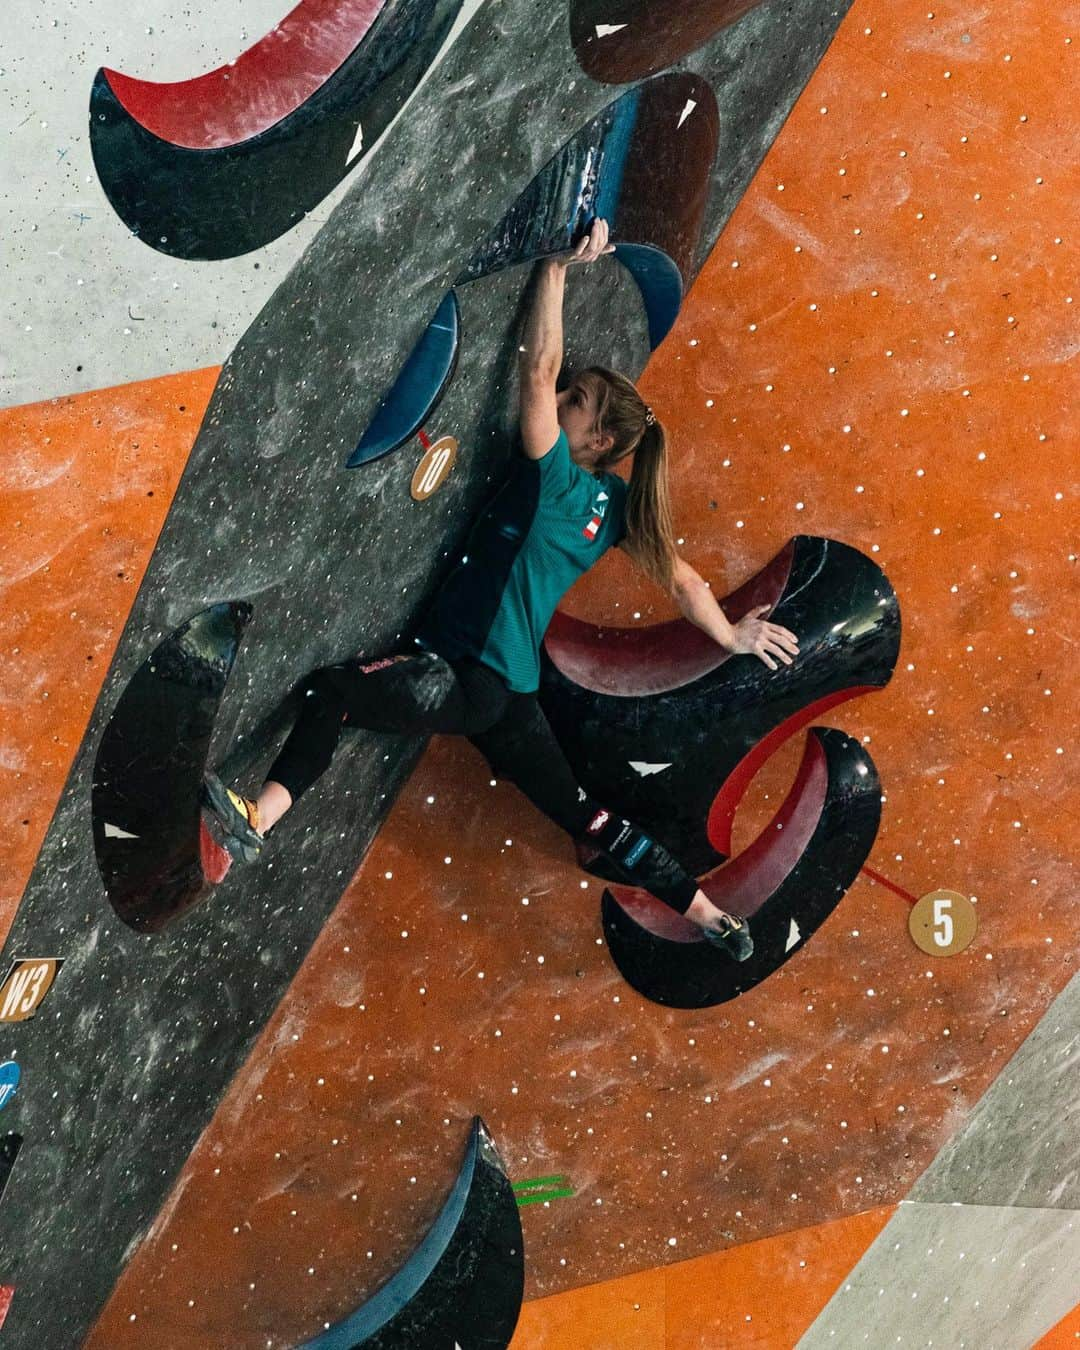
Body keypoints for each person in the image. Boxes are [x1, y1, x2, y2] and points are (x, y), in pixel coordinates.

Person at [200, 218, 800, 961]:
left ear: (598, 440)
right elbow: (683, 578)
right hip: (511, 695)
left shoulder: (554, 479)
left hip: (464, 673)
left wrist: (555, 266)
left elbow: (537, 365)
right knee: (588, 817)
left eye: (576, 401)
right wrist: (731, 635)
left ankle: (254, 822)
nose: (561, 399)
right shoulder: (613, 509)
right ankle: (711, 915)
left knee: (332, 692)